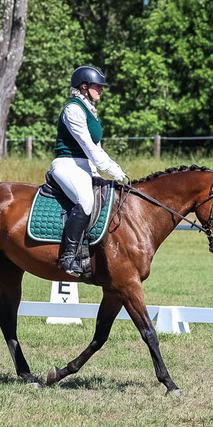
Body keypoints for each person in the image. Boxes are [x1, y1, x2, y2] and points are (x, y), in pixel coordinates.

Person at [51, 65, 127, 276]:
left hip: (86, 166)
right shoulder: (73, 109)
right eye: (97, 86)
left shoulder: (91, 110)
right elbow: (88, 146)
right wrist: (113, 171)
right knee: (85, 201)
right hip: (67, 164)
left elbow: (97, 147)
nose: (101, 89)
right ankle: (68, 257)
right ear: (84, 86)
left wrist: (111, 170)